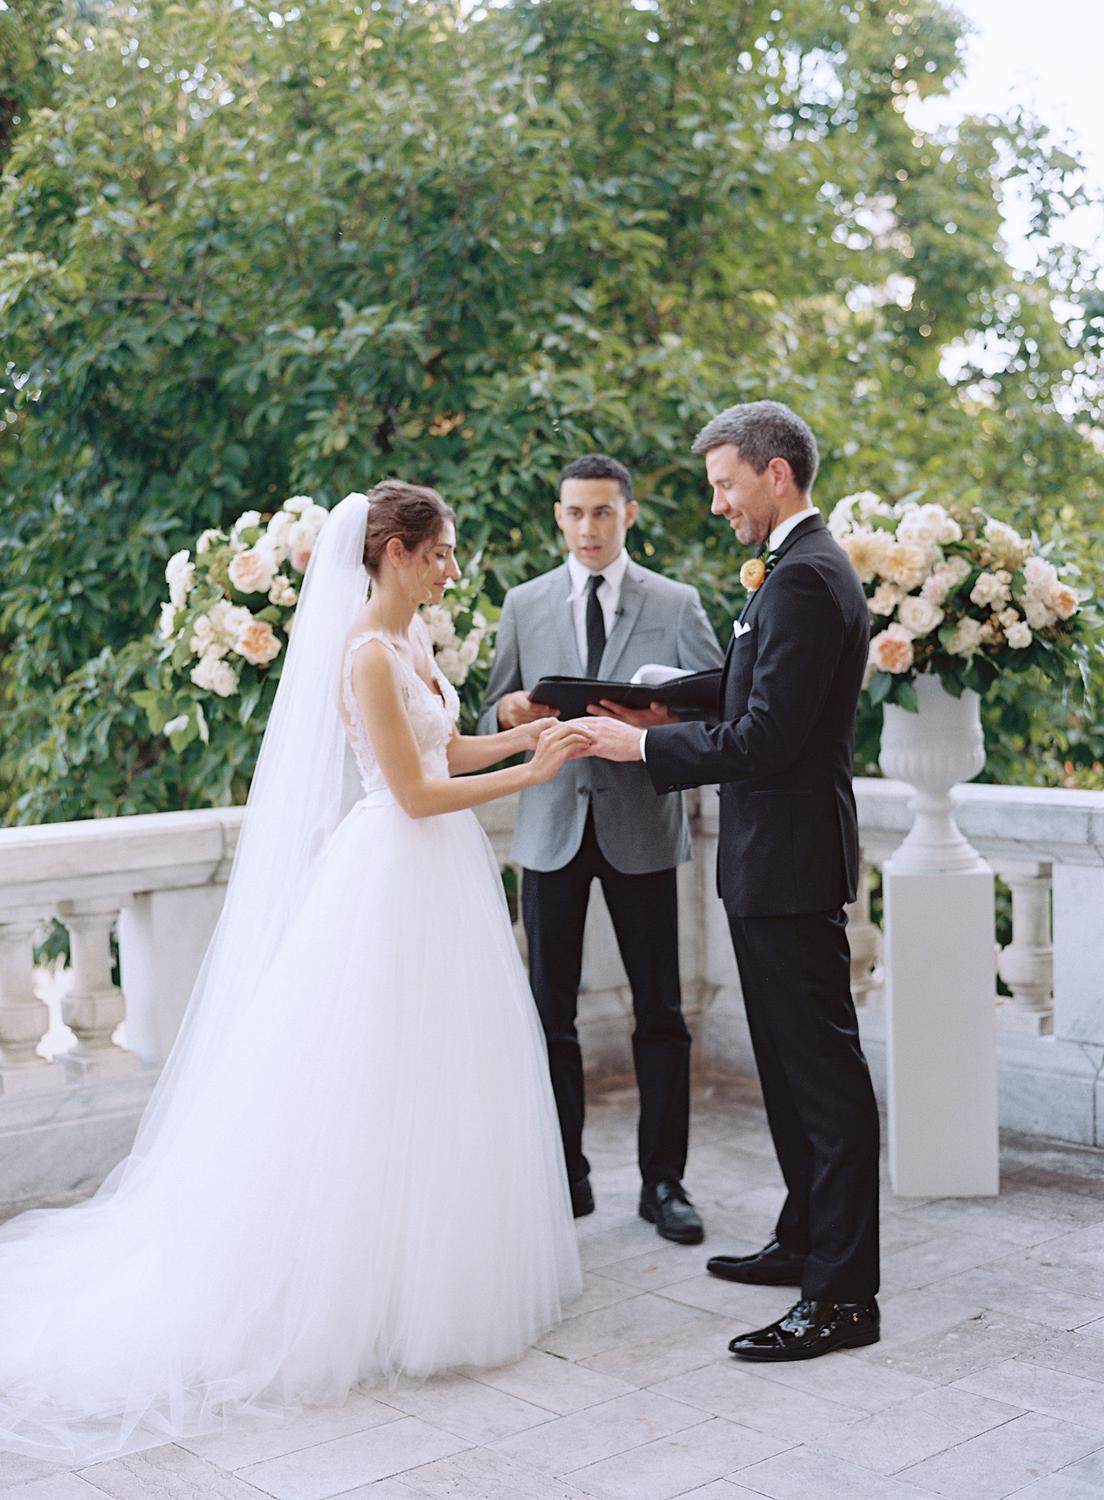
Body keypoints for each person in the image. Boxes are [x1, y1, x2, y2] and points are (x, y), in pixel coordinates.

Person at [0, 481, 586, 1463]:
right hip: (395, 876)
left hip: (443, 885)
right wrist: (528, 780)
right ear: (393, 551)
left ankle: (428, 1280)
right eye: (439, 553)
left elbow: (447, 741)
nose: (451, 568)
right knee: (370, 1084)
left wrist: (526, 735)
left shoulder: (414, 643)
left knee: (444, 1080)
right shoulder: (363, 652)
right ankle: (357, 1294)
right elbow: (409, 790)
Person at [578, 403, 881, 1361]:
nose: (717, 504)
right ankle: (803, 1241)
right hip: (771, 864)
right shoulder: (794, 571)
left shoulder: (804, 579)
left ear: (776, 474)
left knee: (824, 1084)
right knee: (793, 1077)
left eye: (724, 483)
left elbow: (763, 739)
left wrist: (643, 742)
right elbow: (751, 685)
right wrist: (664, 693)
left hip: (789, 864)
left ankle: (841, 1301)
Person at [478, 454, 723, 1243]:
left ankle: (665, 1185)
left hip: (642, 829)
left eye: (603, 513)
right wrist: (513, 708)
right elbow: (490, 717)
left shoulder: (677, 602)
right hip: (550, 829)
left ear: (629, 513)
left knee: (662, 1014)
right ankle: (566, 1176)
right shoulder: (523, 603)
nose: (589, 528)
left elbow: (716, 713)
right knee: (550, 1015)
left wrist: (659, 724)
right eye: (576, 513)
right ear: (558, 517)